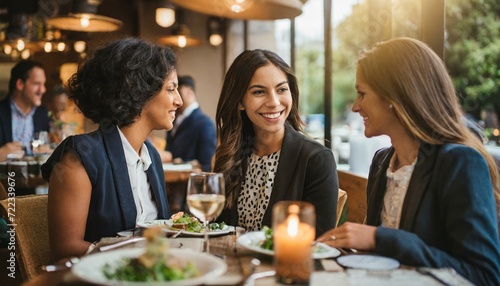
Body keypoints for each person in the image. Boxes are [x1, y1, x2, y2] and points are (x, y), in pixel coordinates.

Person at [317, 38, 500, 286]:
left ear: (395, 97)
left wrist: (381, 239)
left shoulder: (460, 162)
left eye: (362, 93)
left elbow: (484, 275)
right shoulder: (382, 162)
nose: (356, 106)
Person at [41, 38, 181, 259]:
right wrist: (134, 256)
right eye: (171, 89)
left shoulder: (151, 155)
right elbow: (65, 248)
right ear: (140, 92)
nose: (179, 101)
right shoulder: (81, 157)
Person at [214, 49, 338, 237]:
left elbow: (320, 240)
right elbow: (216, 227)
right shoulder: (233, 154)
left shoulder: (316, 159)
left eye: (281, 89)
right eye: (259, 92)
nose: (273, 102)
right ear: (240, 102)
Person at [0, 60, 50, 159]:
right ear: (20, 84)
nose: (43, 90)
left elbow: (48, 147)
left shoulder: (42, 113)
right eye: (37, 84)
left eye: (43, 84)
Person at [165, 75, 216, 171]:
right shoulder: (171, 119)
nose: (175, 98)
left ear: (189, 92)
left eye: (179, 92)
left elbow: (206, 166)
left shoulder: (205, 124)